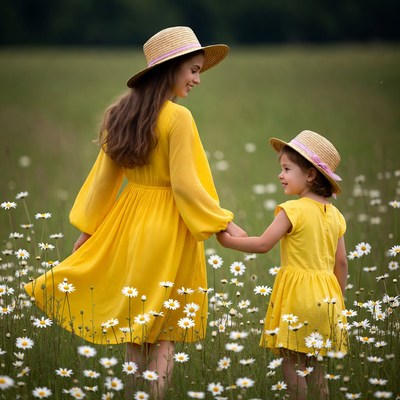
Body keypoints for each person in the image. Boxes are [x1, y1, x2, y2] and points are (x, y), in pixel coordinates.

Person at [25, 26, 246, 399]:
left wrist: (87, 233)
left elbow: (102, 183)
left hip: (128, 227)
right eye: (192, 69)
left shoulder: (120, 114)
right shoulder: (179, 119)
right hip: (168, 230)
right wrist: (222, 221)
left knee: (135, 330)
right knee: (164, 336)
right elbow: (186, 186)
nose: (197, 79)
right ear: (170, 68)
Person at [217, 130, 348, 400]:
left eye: (287, 169)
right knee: (317, 369)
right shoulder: (336, 215)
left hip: (298, 298)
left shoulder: (293, 210)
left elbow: (264, 244)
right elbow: (342, 263)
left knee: (293, 363)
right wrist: (338, 299)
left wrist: (228, 242)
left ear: (311, 175)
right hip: (328, 299)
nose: (280, 175)